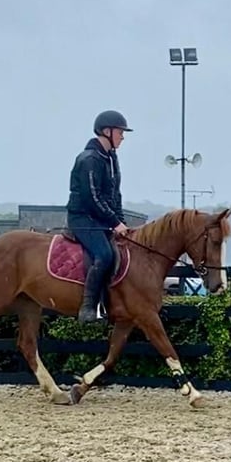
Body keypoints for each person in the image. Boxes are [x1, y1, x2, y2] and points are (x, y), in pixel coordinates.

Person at [66, 110, 132, 323]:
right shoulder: (89, 159)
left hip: (100, 219)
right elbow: (92, 198)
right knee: (104, 255)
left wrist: (122, 222)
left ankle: (111, 304)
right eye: (120, 132)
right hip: (83, 218)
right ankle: (88, 308)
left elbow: (115, 194)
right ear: (107, 131)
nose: (123, 137)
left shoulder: (111, 158)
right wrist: (114, 222)